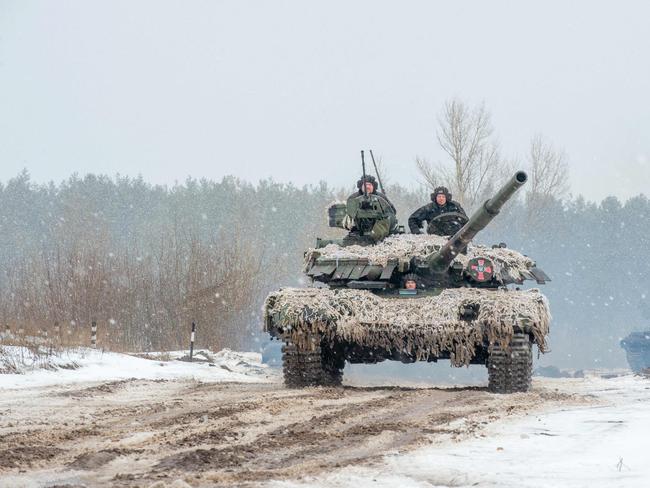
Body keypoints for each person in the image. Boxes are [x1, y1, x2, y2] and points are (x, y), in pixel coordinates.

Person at [343, 175, 397, 242]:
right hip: (358, 231)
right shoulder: (353, 198)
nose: (367, 187)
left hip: (379, 229)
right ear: (361, 186)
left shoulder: (381, 197)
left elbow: (392, 212)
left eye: (369, 185)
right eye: (365, 185)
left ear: (373, 186)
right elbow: (347, 217)